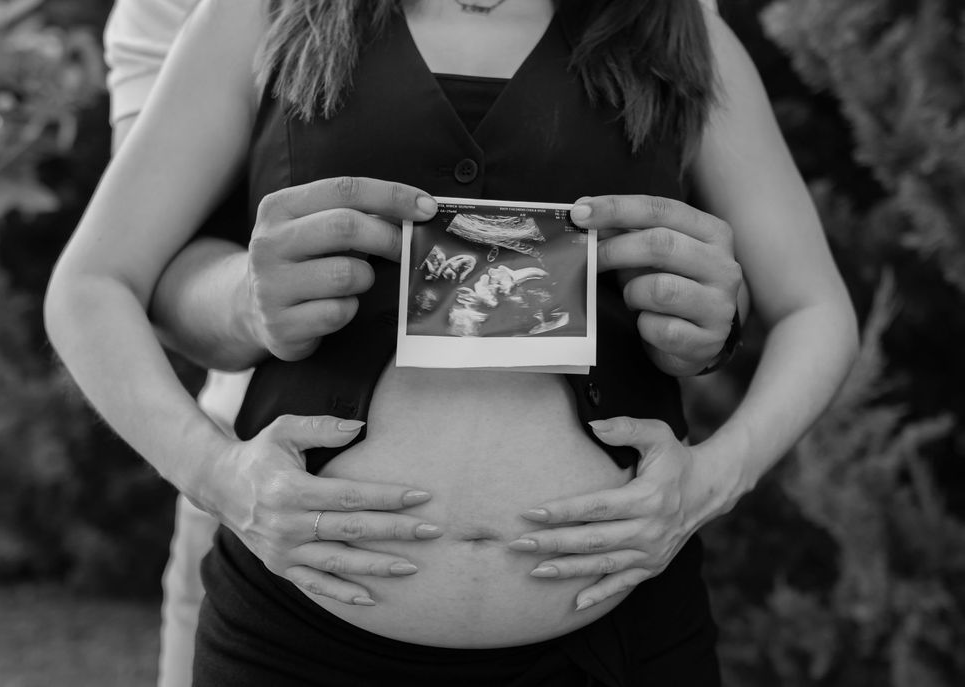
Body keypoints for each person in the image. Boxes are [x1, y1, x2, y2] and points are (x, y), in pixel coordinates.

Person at [48, 0, 857, 684]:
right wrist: (217, 475)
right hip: (294, 638)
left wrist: (713, 479)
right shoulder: (263, 13)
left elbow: (815, 309)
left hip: (622, 637)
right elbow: (93, 285)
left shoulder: (677, 26)